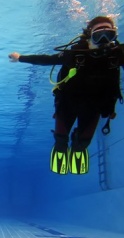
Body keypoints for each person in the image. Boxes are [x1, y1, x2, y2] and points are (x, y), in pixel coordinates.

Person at [9, 16, 124, 175]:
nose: (104, 40)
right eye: (99, 35)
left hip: (95, 107)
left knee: (82, 144)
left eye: (109, 35)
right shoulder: (76, 54)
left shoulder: (118, 54)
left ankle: (78, 142)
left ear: (114, 37)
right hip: (68, 104)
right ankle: (65, 146)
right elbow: (47, 60)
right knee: (61, 142)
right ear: (90, 35)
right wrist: (20, 58)